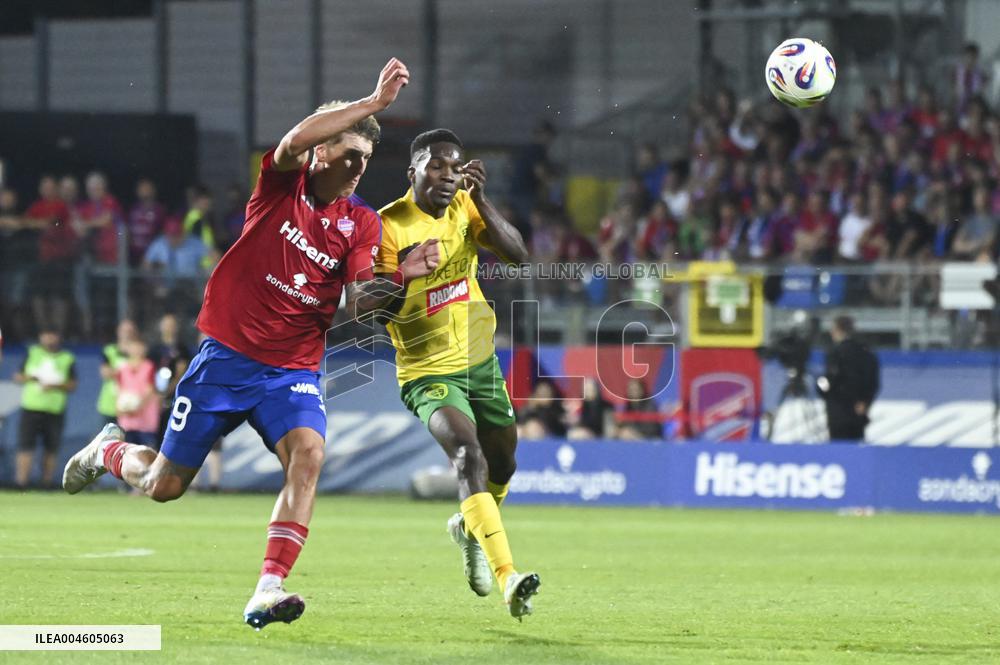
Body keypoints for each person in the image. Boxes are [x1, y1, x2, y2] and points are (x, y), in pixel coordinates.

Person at [61, 58, 427, 630]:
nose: (358, 167)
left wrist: (404, 276)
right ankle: (107, 452)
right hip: (226, 359)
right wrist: (372, 104)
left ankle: (269, 586)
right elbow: (291, 138)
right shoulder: (281, 185)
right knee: (163, 486)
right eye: (348, 153)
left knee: (309, 455)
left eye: (366, 159)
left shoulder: (361, 225)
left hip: (292, 369)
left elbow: (359, 305)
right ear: (320, 151)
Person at [354, 128, 539, 620]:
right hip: (427, 371)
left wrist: (483, 199)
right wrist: (405, 274)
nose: (447, 175)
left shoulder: (465, 207)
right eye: (436, 165)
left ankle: (470, 527)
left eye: (455, 167)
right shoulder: (387, 226)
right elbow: (370, 308)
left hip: (480, 362)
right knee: (466, 454)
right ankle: (509, 578)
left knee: (504, 467)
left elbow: (519, 256)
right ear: (412, 171)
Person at [14, 329, 76, 488]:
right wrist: (32, 377)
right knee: (25, 446)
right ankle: (21, 483)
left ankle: (46, 484)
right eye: (46, 335)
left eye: (52, 335)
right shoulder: (32, 353)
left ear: (58, 337)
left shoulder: (67, 358)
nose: (49, 339)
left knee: (51, 448)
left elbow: (72, 384)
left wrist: (54, 385)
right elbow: (18, 376)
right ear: (41, 337)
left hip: (54, 409)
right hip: (31, 407)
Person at [817, 316, 880, 442]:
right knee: (855, 450)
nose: (831, 333)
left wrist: (819, 385)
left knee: (839, 452)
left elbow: (830, 380)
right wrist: (865, 401)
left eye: (833, 329)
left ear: (839, 330)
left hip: (838, 412)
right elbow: (873, 381)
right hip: (858, 412)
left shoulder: (836, 353)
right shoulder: (866, 352)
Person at [116, 338, 161, 448]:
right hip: (126, 422)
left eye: (139, 347)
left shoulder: (149, 366)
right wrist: (121, 409)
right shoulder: (122, 367)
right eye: (134, 347)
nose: (136, 350)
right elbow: (119, 390)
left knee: (147, 457)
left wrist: (137, 407)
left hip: (145, 422)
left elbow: (150, 391)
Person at [97, 319, 139, 425]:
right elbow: (105, 373)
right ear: (118, 332)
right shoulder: (109, 351)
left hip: (131, 407)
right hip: (110, 406)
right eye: (124, 331)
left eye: (130, 332)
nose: (127, 335)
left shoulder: (140, 353)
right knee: (108, 440)